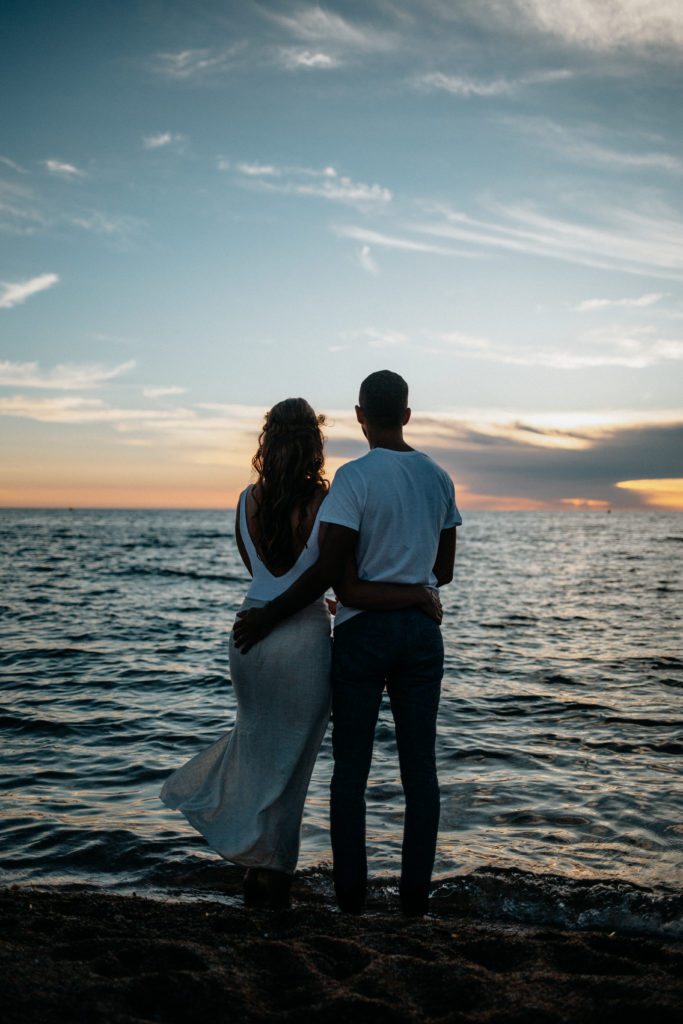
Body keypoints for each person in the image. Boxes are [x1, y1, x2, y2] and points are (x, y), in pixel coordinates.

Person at [161, 396, 440, 909]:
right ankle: (276, 879)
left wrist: (273, 610)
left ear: (267, 441)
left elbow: (261, 575)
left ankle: (256, 866)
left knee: (260, 751)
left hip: (248, 638)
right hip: (302, 641)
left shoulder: (246, 499)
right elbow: (328, 571)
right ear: (315, 441)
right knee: (292, 770)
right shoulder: (325, 499)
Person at [234, 371, 461, 917]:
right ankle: (413, 904)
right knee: (420, 773)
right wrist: (414, 595)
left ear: (360, 415)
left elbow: (340, 579)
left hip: (360, 635)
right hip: (420, 638)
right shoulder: (439, 478)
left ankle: (351, 901)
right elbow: (444, 572)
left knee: (350, 773)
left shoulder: (354, 480)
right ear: (407, 414)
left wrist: (271, 615)